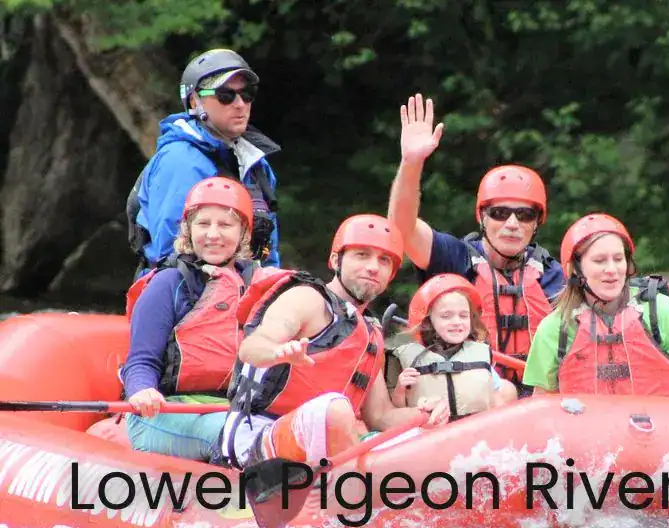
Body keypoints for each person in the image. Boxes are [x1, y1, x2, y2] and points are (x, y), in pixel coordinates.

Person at [214, 214, 449, 471]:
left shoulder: (370, 333)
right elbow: (251, 348)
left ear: (390, 274)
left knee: (420, 437)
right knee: (334, 410)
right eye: (362, 255)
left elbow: (381, 415)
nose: (373, 267)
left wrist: (425, 414)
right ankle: (355, 489)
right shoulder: (307, 298)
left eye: (384, 260)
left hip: (323, 443)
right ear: (336, 260)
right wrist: (278, 352)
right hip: (254, 438)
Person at [387, 93, 565, 392]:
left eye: (524, 215)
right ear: (482, 217)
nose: (512, 224)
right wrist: (411, 163)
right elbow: (401, 230)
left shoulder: (551, 274)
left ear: (537, 223)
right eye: (499, 213)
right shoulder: (455, 258)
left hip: (535, 401)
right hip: (467, 397)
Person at [120, 177, 273, 461]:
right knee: (235, 432)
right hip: (165, 413)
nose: (212, 234)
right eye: (203, 224)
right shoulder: (168, 283)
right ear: (188, 229)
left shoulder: (259, 286)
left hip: (234, 410)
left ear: (244, 232)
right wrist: (142, 391)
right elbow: (140, 361)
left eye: (225, 225)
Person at [521, 213, 669, 414]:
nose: (612, 269)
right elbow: (541, 405)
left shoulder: (664, 312)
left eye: (618, 259)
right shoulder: (555, 328)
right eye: (599, 260)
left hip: (660, 429)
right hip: (587, 432)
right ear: (575, 269)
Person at [126, 48, 281, 278]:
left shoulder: (255, 162)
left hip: (245, 289)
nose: (240, 104)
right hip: (185, 292)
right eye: (225, 95)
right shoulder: (180, 161)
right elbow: (173, 254)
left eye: (247, 94)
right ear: (194, 101)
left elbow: (269, 253)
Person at [387, 273, 518, 421]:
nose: (456, 322)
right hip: (434, 430)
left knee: (508, 388)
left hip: (475, 429)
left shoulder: (478, 355)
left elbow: (497, 399)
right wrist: (400, 388)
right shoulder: (414, 360)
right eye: (446, 316)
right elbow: (399, 408)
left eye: (463, 316)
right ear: (427, 322)